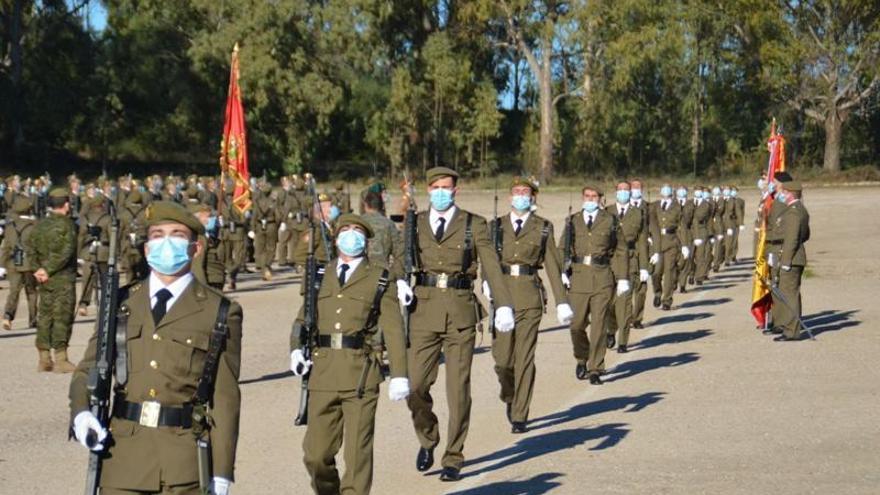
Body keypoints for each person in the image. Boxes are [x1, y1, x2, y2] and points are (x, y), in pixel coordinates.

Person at [69, 201, 243, 495]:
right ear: (147, 249)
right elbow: (89, 367)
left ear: (195, 248)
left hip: (184, 462)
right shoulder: (121, 302)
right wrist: (82, 412)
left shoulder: (220, 310)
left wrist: (222, 473)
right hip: (123, 457)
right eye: (157, 235)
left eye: (176, 235)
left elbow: (225, 398)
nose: (166, 243)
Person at [404, 167, 515, 482]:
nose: (440, 192)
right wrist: (399, 283)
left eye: (446, 187)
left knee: (458, 391)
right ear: (428, 189)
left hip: (460, 314)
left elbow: (491, 265)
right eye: (435, 187)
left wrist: (503, 305)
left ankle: (453, 455)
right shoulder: (415, 224)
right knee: (415, 386)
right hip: (423, 311)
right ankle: (428, 437)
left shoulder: (473, 224)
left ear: (455, 190)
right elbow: (400, 261)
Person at [290, 213, 409, 495]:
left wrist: (400, 375)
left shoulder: (380, 278)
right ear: (336, 236)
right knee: (316, 455)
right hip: (323, 373)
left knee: (357, 456)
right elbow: (303, 319)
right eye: (346, 229)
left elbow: (393, 328)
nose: (351, 235)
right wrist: (295, 348)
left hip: (361, 374)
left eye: (358, 230)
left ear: (367, 240)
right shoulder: (319, 275)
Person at [487, 177, 570, 433]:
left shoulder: (543, 227)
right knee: (502, 360)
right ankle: (510, 393)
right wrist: (486, 282)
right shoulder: (495, 226)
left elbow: (553, 267)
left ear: (533, 197)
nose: (520, 195)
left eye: (525, 192)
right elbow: (487, 260)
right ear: (510, 196)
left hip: (529, 298)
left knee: (524, 357)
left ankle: (520, 412)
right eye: (516, 191)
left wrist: (562, 302)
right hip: (502, 296)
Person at [561, 185, 629, 384]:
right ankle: (582, 357)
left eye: (594, 196)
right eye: (587, 196)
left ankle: (595, 368)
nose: (590, 199)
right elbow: (562, 248)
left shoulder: (611, 221)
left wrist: (623, 277)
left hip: (602, 278)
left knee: (599, 324)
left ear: (601, 199)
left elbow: (621, 249)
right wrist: (562, 272)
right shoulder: (572, 221)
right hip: (578, 277)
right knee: (576, 325)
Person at [25, 188, 78, 372]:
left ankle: (44, 358)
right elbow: (66, 251)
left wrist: (38, 270)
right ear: (66, 204)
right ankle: (61, 359)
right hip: (62, 278)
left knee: (45, 316)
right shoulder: (68, 225)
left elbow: (29, 249)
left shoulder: (39, 225)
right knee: (62, 316)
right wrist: (48, 269)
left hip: (44, 279)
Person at [604, 181, 648, 354]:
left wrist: (643, 266)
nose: (623, 192)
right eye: (620, 189)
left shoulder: (638, 213)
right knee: (609, 303)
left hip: (630, 261)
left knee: (625, 302)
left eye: (626, 190)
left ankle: (623, 341)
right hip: (609, 261)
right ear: (615, 192)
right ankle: (611, 328)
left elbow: (642, 242)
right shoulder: (607, 212)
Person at [1, 195, 39, 330]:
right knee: (32, 292)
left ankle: (7, 316)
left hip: (13, 262)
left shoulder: (10, 227)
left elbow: (5, 247)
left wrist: (2, 265)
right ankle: (33, 319)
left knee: (13, 291)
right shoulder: (35, 226)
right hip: (30, 263)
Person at [649, 182, 688, 311]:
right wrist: (649, 237)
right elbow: (649, 222)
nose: (665, 192)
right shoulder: (654, 206)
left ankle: (667, 300)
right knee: (656, 272)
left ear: (672, 191)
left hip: (671, 242)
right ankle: (657, 293)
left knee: (669, 272)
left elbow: (681, 227)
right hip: (657, 243)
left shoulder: (677, 208)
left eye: (668, 189)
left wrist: (684, 245)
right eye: (663, 188)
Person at [360, 191, 404, 278]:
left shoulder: (359, 223)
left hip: (360, 271)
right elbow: (398, 251)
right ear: (381, 206)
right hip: (382, 272)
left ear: (365, 205)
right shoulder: (389, 224)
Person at [627, 179, 650, 328]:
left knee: (641, 289)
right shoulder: (620, 209)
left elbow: (653, 226)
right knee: (625, 289)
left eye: (638, 186)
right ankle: (627, 318)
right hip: (626, 251)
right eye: (633, 187)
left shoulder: (647, 207)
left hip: (644, 247)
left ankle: (638, 318)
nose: (635, 189)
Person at [190, 203, 226, 291]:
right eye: (207, 216)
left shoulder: (208, 235)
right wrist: (202, 288)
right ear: (197, 219)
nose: (210, 219)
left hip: (216, 280)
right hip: (210, 282)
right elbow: (197, 266)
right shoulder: (200, 238)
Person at [251, 182, 278, 281]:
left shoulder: (257, 201)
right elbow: (278, 215)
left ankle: (264, 268)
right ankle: (267, 265)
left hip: (259, 225)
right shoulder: (274, 201)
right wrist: (277, 225)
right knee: (271, 248)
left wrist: (252, 228)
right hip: (271, 225)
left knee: (260, 249)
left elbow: (254, 215)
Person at [675, 185, 695, 293]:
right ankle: (673, 281)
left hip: (687, 234)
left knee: (685, 260)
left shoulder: (690, 204)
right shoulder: (671, 204)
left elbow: (688, 219)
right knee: (674, 260)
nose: (681, 191)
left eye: (683, 189)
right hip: (673, 235)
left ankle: (682, 284)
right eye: (679, 189)